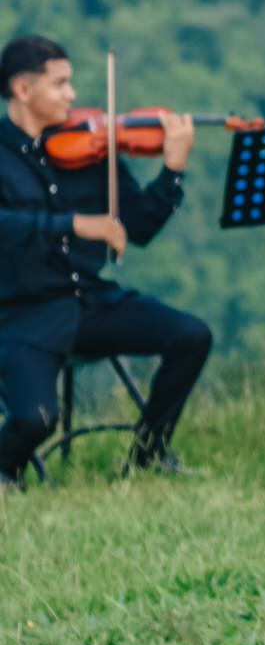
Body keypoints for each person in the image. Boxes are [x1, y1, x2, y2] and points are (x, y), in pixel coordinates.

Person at [0, 35, 210, 483]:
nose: (72, 96)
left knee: (191, 336)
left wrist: (172, 173)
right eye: (60, 84)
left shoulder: (91, 150)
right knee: (35, 418)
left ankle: (148, 456)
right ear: (22, 90)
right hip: (22, 315)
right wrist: (74, 224)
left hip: (90, 302)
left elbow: (140, 228)